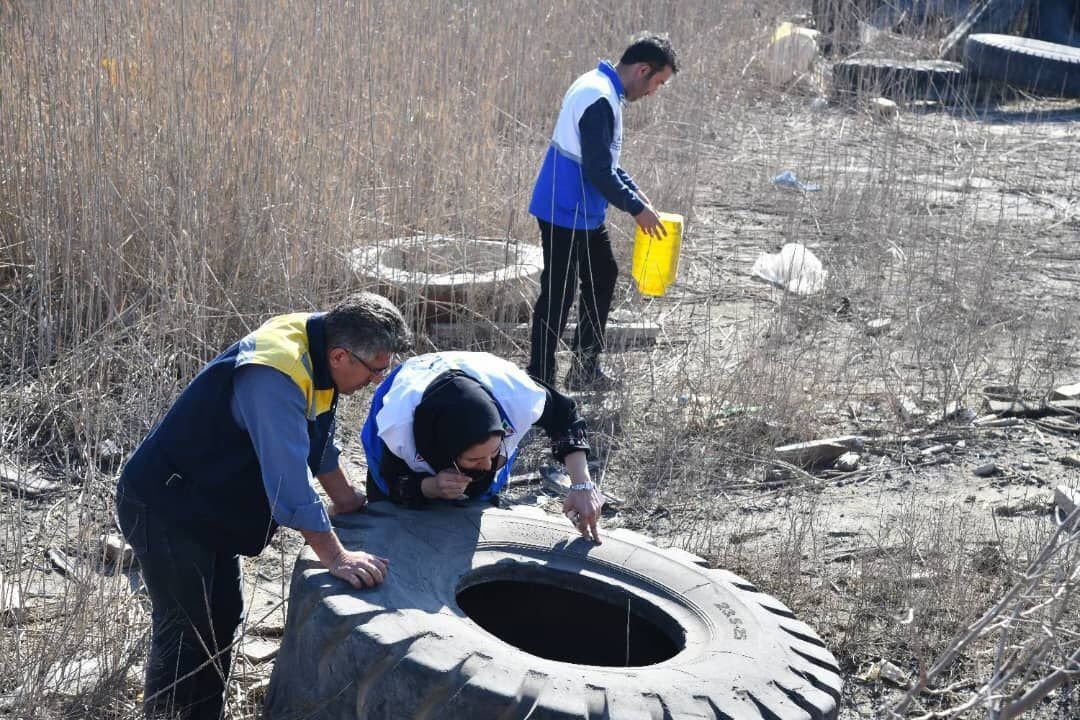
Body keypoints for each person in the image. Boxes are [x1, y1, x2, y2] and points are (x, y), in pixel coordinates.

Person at [115, 292, 411, 719]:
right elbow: (288, 483)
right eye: (375, 370)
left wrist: (347, 500)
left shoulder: (320, 342)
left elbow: (317, 440)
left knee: (223, 615)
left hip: (205, 503)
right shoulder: (276, 373)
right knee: (185, 632)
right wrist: (336, 556)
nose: (377, 380)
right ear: (341, 356)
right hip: (164, 505)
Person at [527, 33, 679, 390]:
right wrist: (637, 209)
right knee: (558, 294)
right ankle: (540, 379)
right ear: (643, 70)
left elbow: (603, 161)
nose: (653, 92)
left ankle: (584, 369)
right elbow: (598, 171)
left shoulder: (602, 87)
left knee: (603, 275)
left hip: (582, 210)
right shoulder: (598, 97)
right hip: (565, 209)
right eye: (657, 83)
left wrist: (634, 191)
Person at [361, 351, 604, 542]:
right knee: (393, 522)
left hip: (484, 376)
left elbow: (564, 416)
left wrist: (581, 484)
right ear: (446, 450)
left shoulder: (519, 397)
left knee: (475, 510)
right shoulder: (396, 427)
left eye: (494, 452)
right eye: (475, 460)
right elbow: (391, 481)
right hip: (411, 388)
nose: (488, 465)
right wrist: (429, 487)